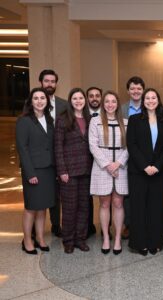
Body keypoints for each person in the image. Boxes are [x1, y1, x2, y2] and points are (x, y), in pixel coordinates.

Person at [127, 88, 163, 255]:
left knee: (155, 207)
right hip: (138, 171)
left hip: (158, 171)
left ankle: (154, 242)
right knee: (139, 207)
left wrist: (157, 166)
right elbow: (132, 145)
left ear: (158, 100)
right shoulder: (134, 119)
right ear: (143, 101)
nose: (150, 101)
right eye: (147, 98)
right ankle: (140, 243)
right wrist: (145, 166)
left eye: (154, 98)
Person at [16, 87, 56, 254]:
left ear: (47, 101)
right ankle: (27, 240)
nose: (40, 101)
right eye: (36, 98)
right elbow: (22, 149)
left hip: (48, 170)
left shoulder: (49, 119)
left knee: (43, 207)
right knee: (31, 207)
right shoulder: (24, 121)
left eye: (43, 98)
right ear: (31, 102)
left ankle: (40, 238)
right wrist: (30, 173)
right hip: (33, 171)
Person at [89, 91, 128, 255]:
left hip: (121, 167)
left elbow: (129, 146)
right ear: (103, 104)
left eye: (113, 101)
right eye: (107, 101)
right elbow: (93, 145)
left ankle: (118, 238)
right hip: (101, 168)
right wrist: (107, 165)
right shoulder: (95, 121)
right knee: (104, 203)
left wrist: (118, 163)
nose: (110, 104)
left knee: (118, 203)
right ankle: (106, 237)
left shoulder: (126, 123)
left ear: (117, 104)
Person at [55, 88, 92, 254]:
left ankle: (80, 239)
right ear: (70, 101)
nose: (78, 101)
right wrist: (62, 170)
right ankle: (68, 240)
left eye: (81, 98)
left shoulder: (90, 119)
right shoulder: (63, 119)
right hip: (68, 172)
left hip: (87, 170)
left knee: (84, 207)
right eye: (75, 98)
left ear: (85, 100)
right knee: (70, 208)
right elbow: (58, 147)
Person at [38, 69, 68, 237]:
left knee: (60, 192)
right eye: (46, 81)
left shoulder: (64, 104)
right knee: (44, 192)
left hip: (62, 155)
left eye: (52, 81)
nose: (49, 84)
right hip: (42, 157)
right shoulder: (32, 103)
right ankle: (39, 227)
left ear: (56, 84)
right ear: (41, 82)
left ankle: (57, 225)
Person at [121, 76, 145, 239]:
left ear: (143, 90)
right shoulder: (120, 109)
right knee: (127, 193)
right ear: (128, 91)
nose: (136, 91)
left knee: (144, 191)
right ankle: (129, 225)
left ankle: (144, 223)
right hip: (125, 156)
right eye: (133, 88)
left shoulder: (150, 107)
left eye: (139, 88)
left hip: (144, 158)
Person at [86, 86, 103, 237]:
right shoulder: (81, 114)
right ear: (87, 99)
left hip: (103, 162)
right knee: (87, 196)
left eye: (97, 95)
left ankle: (106, 228)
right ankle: (88, 226)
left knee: (106, 195)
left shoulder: (108, 114)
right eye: (91, 96)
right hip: (85, 160)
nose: (94, 98)